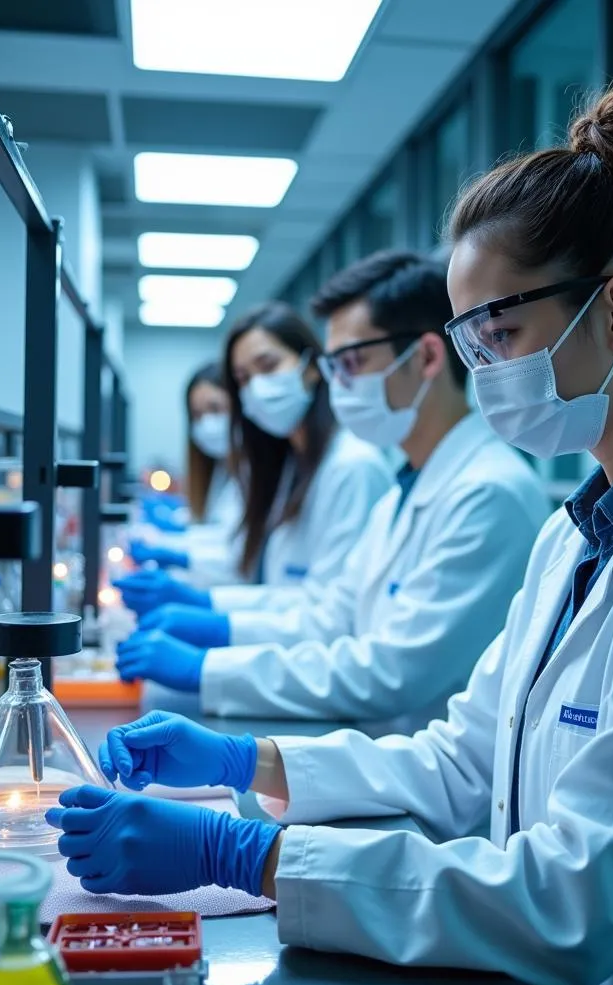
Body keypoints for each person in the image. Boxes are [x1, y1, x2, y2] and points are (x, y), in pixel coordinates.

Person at [49, 79, 613, 985]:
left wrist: (247, 856)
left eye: (502, 334)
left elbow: (580, 900)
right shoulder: (576, 534)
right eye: (470, 341)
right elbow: (465, 762)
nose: (483, 373)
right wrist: (252, 763)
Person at [118, 250, 551, 719]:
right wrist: (214, 623)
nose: (340, 385)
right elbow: (330, 617)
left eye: (354, 362)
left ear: (426, 356)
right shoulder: (402, 496)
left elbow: (389, 673)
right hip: (374, 756)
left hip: (423, 772)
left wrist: (208, 668)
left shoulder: (488, 495)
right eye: (335, 367)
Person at [114, 302, 392, 691]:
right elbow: (283, 593)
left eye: (267, 366)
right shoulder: (290, 468)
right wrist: (208, 610)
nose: (256, 388)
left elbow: (331, 620)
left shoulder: (352, 468)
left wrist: (213, 632)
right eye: (243, 378)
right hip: (293, 672)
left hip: (325, 687)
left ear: (312, 367)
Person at [129, 362, 247, 586]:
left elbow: (236, 554)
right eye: (197, 415)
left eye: (215, 408)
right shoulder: (222, 469)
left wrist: (173, 549)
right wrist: (170, 535)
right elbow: (220, 534)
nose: (206, 423)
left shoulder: (252, 473)